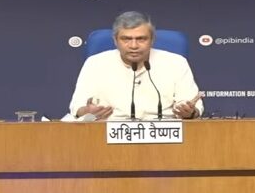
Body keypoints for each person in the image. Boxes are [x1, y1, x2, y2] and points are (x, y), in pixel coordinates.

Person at [69, 11, 204, 120]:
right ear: (115, 40)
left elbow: (193, 106)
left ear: (152, 40)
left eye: (141, 39)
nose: (133, 46)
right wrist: (86, 111)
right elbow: (77, 107)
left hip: (166, 133)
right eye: (126, 39)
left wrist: (189, 112)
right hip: (108, 133)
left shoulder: (176, 62)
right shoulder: (95, 63)